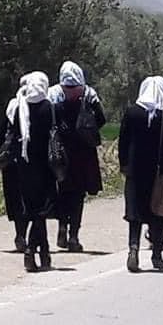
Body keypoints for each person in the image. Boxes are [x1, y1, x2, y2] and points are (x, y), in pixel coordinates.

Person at [119, 77, 163, 272]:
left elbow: (123, 142)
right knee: (159, 213)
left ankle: (133, 249)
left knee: (134, 214)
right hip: (160, 173)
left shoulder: (132, 113)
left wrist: (124, 165)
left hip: (135, 172)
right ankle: (157, 254)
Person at [51, 61, 106, 251]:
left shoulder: (54, 99)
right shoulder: (90, 97)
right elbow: (101, 119)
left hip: (62, 154)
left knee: (64, 192)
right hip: (83, 154)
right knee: (77, 196)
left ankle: (63, 228)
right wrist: (87, 131)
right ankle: (73, 236)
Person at [6, 71, 56, 270]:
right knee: (40, 211)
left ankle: (44, 253)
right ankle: (32, 251)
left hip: (24, 167)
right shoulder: (48, 107)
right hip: (45, 166)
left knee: (33, 209)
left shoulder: (20, 106)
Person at [0, 78, 29, 254]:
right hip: (28, 160)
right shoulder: (37, 105)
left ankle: (19, 234)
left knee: (15, 198)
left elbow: (1, 134)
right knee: (28, 199)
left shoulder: (12, 106)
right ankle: (25, 235)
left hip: (10, 161)